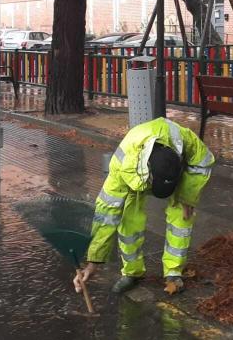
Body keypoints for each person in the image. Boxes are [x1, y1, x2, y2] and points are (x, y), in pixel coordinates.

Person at [74, 117, 215, 295]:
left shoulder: (185, 140)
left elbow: (203, 162)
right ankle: (132, 273)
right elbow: (106, 213)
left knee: (183, 216)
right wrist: (93, 263)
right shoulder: (123, 166)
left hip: (169, 172)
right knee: (128, 220)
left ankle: (173, 273)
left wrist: (188, 196)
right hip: (135, 176)